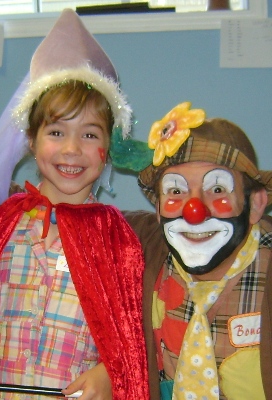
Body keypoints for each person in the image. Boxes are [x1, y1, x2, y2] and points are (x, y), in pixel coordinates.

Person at [0, 9, 149, 400]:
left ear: (108, 146)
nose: (71, 149)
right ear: (31, 139)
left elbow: (126, 344)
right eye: (57, 132)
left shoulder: (117, 240)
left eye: (89, 134)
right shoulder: (1, 226)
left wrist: (108, 376)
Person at [112, 102, 272, 399]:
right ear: (158, 208)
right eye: (176, 191)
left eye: (217, 189)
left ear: (255, 204)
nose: (194, 210)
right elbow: (80, 220)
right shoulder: (146, 246)